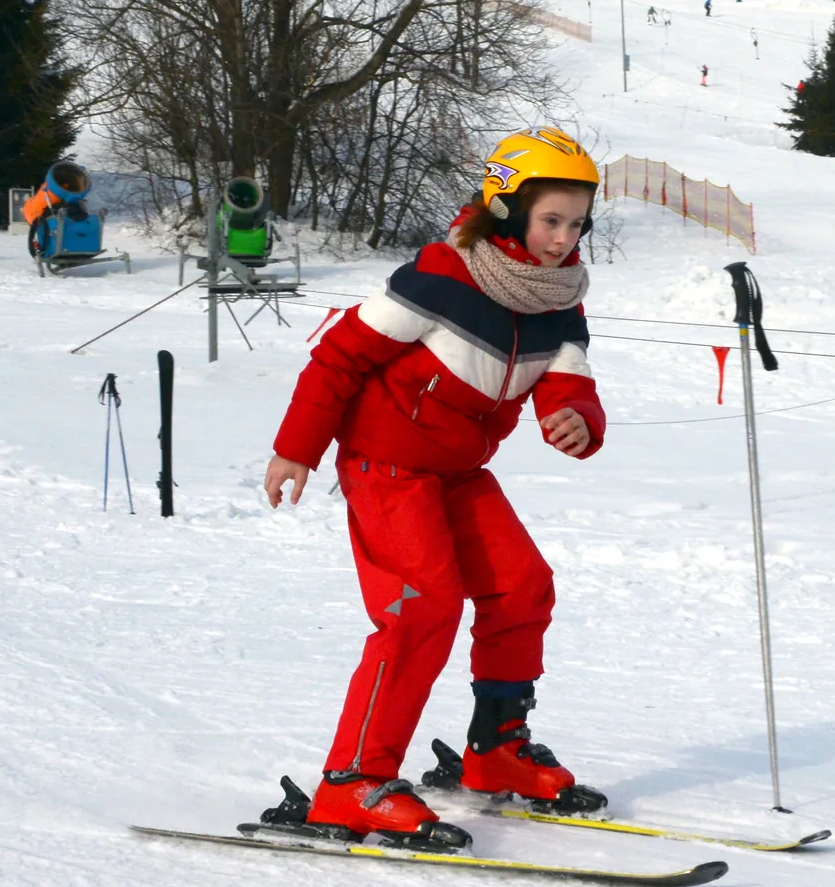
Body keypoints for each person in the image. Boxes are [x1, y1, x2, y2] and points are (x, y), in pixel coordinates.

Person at [257, 129, 610, 849]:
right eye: (551, 220)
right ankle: (353, 780)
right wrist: (296, 449)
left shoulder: (560, 299)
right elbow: (339, 358)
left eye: (577, 223)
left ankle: (495, 748)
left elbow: (570, 386)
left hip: (457, 471)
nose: (563, 238)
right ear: (506, 209)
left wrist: (575, 420)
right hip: (385, 467)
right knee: (423, 605)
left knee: (521, 586)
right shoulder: (442, 275)